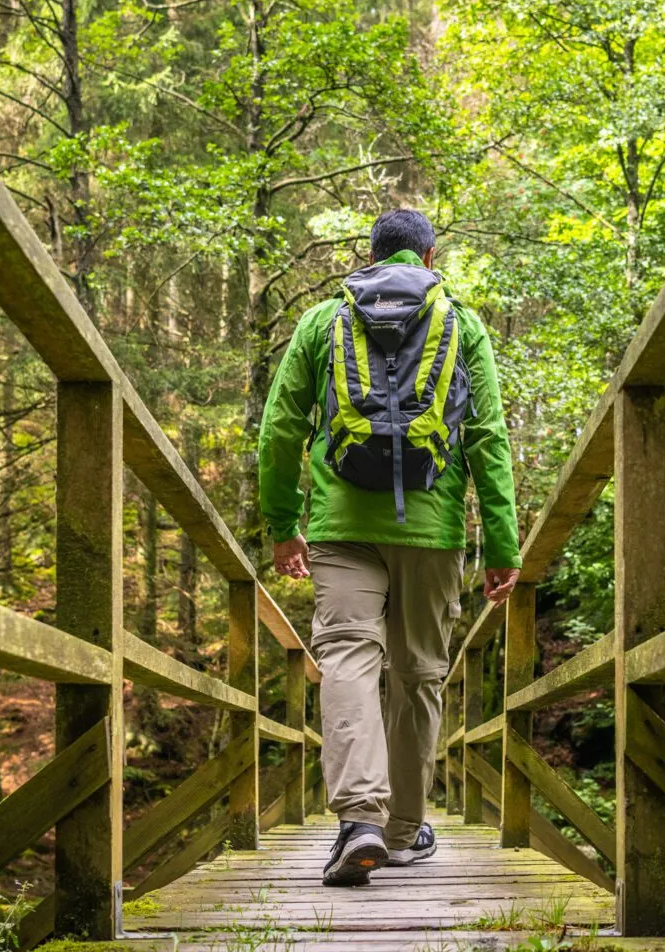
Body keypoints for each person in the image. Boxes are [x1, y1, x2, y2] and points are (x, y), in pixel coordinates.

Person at [258, 207, 520, 887]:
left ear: (371, 257)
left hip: (341, 525)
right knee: (419, 674)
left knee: (346, 656)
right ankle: (402, 832)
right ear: (429, 259)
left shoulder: (324, 321)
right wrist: (501, 544)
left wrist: (282, 524)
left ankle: (359, 820)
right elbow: (487, 438)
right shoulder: (462, 322)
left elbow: (281, 430)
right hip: (433, 532)